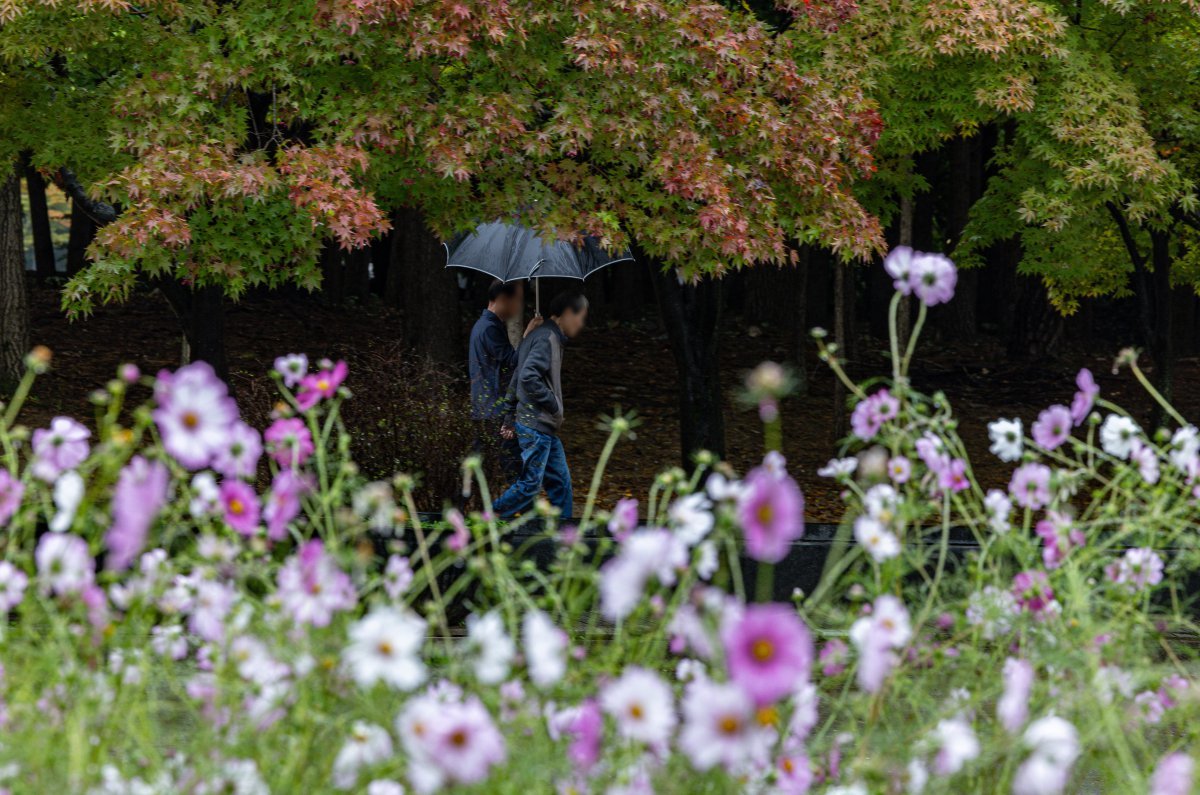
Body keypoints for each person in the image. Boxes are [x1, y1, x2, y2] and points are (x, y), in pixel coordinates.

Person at [493, 291, 589, 519]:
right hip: (537, 425)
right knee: (531, 484)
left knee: (560, 483)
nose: (582, 324)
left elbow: (517, 376)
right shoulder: (547, 338)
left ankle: (563, 537)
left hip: (542, 427)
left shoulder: (538, 336)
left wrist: (508, 416)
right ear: (567, 313)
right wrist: (554, 406)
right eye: (581, 317)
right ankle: (490, 518)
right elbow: (527, 377)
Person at [468, 280, 541, 483]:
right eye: (517, 300)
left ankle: (465, 507)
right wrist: (529, 333)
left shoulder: (485, 325)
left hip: (484, 408)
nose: (519, 306)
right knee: (515, 472)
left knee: (479, 471)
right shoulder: (490, 328)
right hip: (494, 410)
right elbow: (512, 362)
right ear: (502, 299)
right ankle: (524, 511)